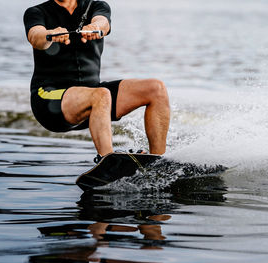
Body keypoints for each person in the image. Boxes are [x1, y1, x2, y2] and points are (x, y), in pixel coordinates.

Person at [23, 0, 170, 162]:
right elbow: (35, 37)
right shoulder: (36, 12)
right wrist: (50, 35)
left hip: (96, 99)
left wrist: (96, 27)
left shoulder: (95, 6)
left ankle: (158, 162)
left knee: (156, 88)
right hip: (49, 99)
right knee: (100, 95)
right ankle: (107, 161)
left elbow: (103, 22)